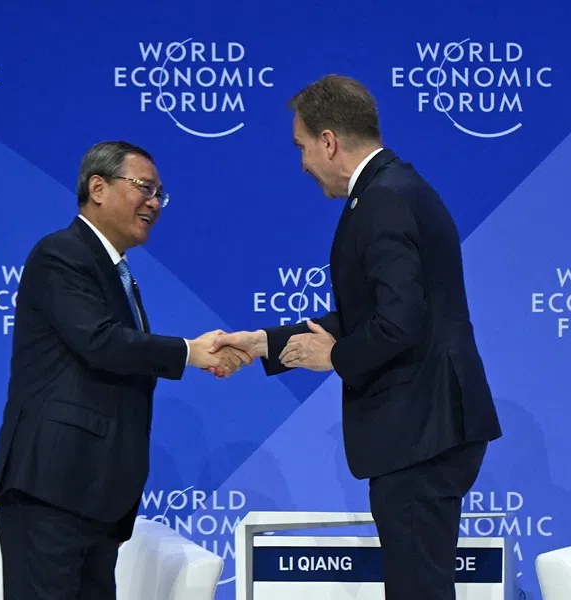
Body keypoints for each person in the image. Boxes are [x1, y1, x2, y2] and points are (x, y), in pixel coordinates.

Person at [210, 75, 502, 599]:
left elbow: (400, 320)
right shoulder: (391, 189)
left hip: (420, 428)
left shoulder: (385, 198)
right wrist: (264, 343)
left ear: (328, 141)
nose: (301, 163)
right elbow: (372, 313)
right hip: (428, 426)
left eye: (301, 146)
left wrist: (338, 356)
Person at [0, 140, 248, 600]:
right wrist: (190, 352)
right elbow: (101, 342)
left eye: (160, 194)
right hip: (52, 488)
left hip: (96, 496)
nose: (154, 203)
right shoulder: (61, 254)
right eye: (144, 188)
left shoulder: (116, 271)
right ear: (98, 188)